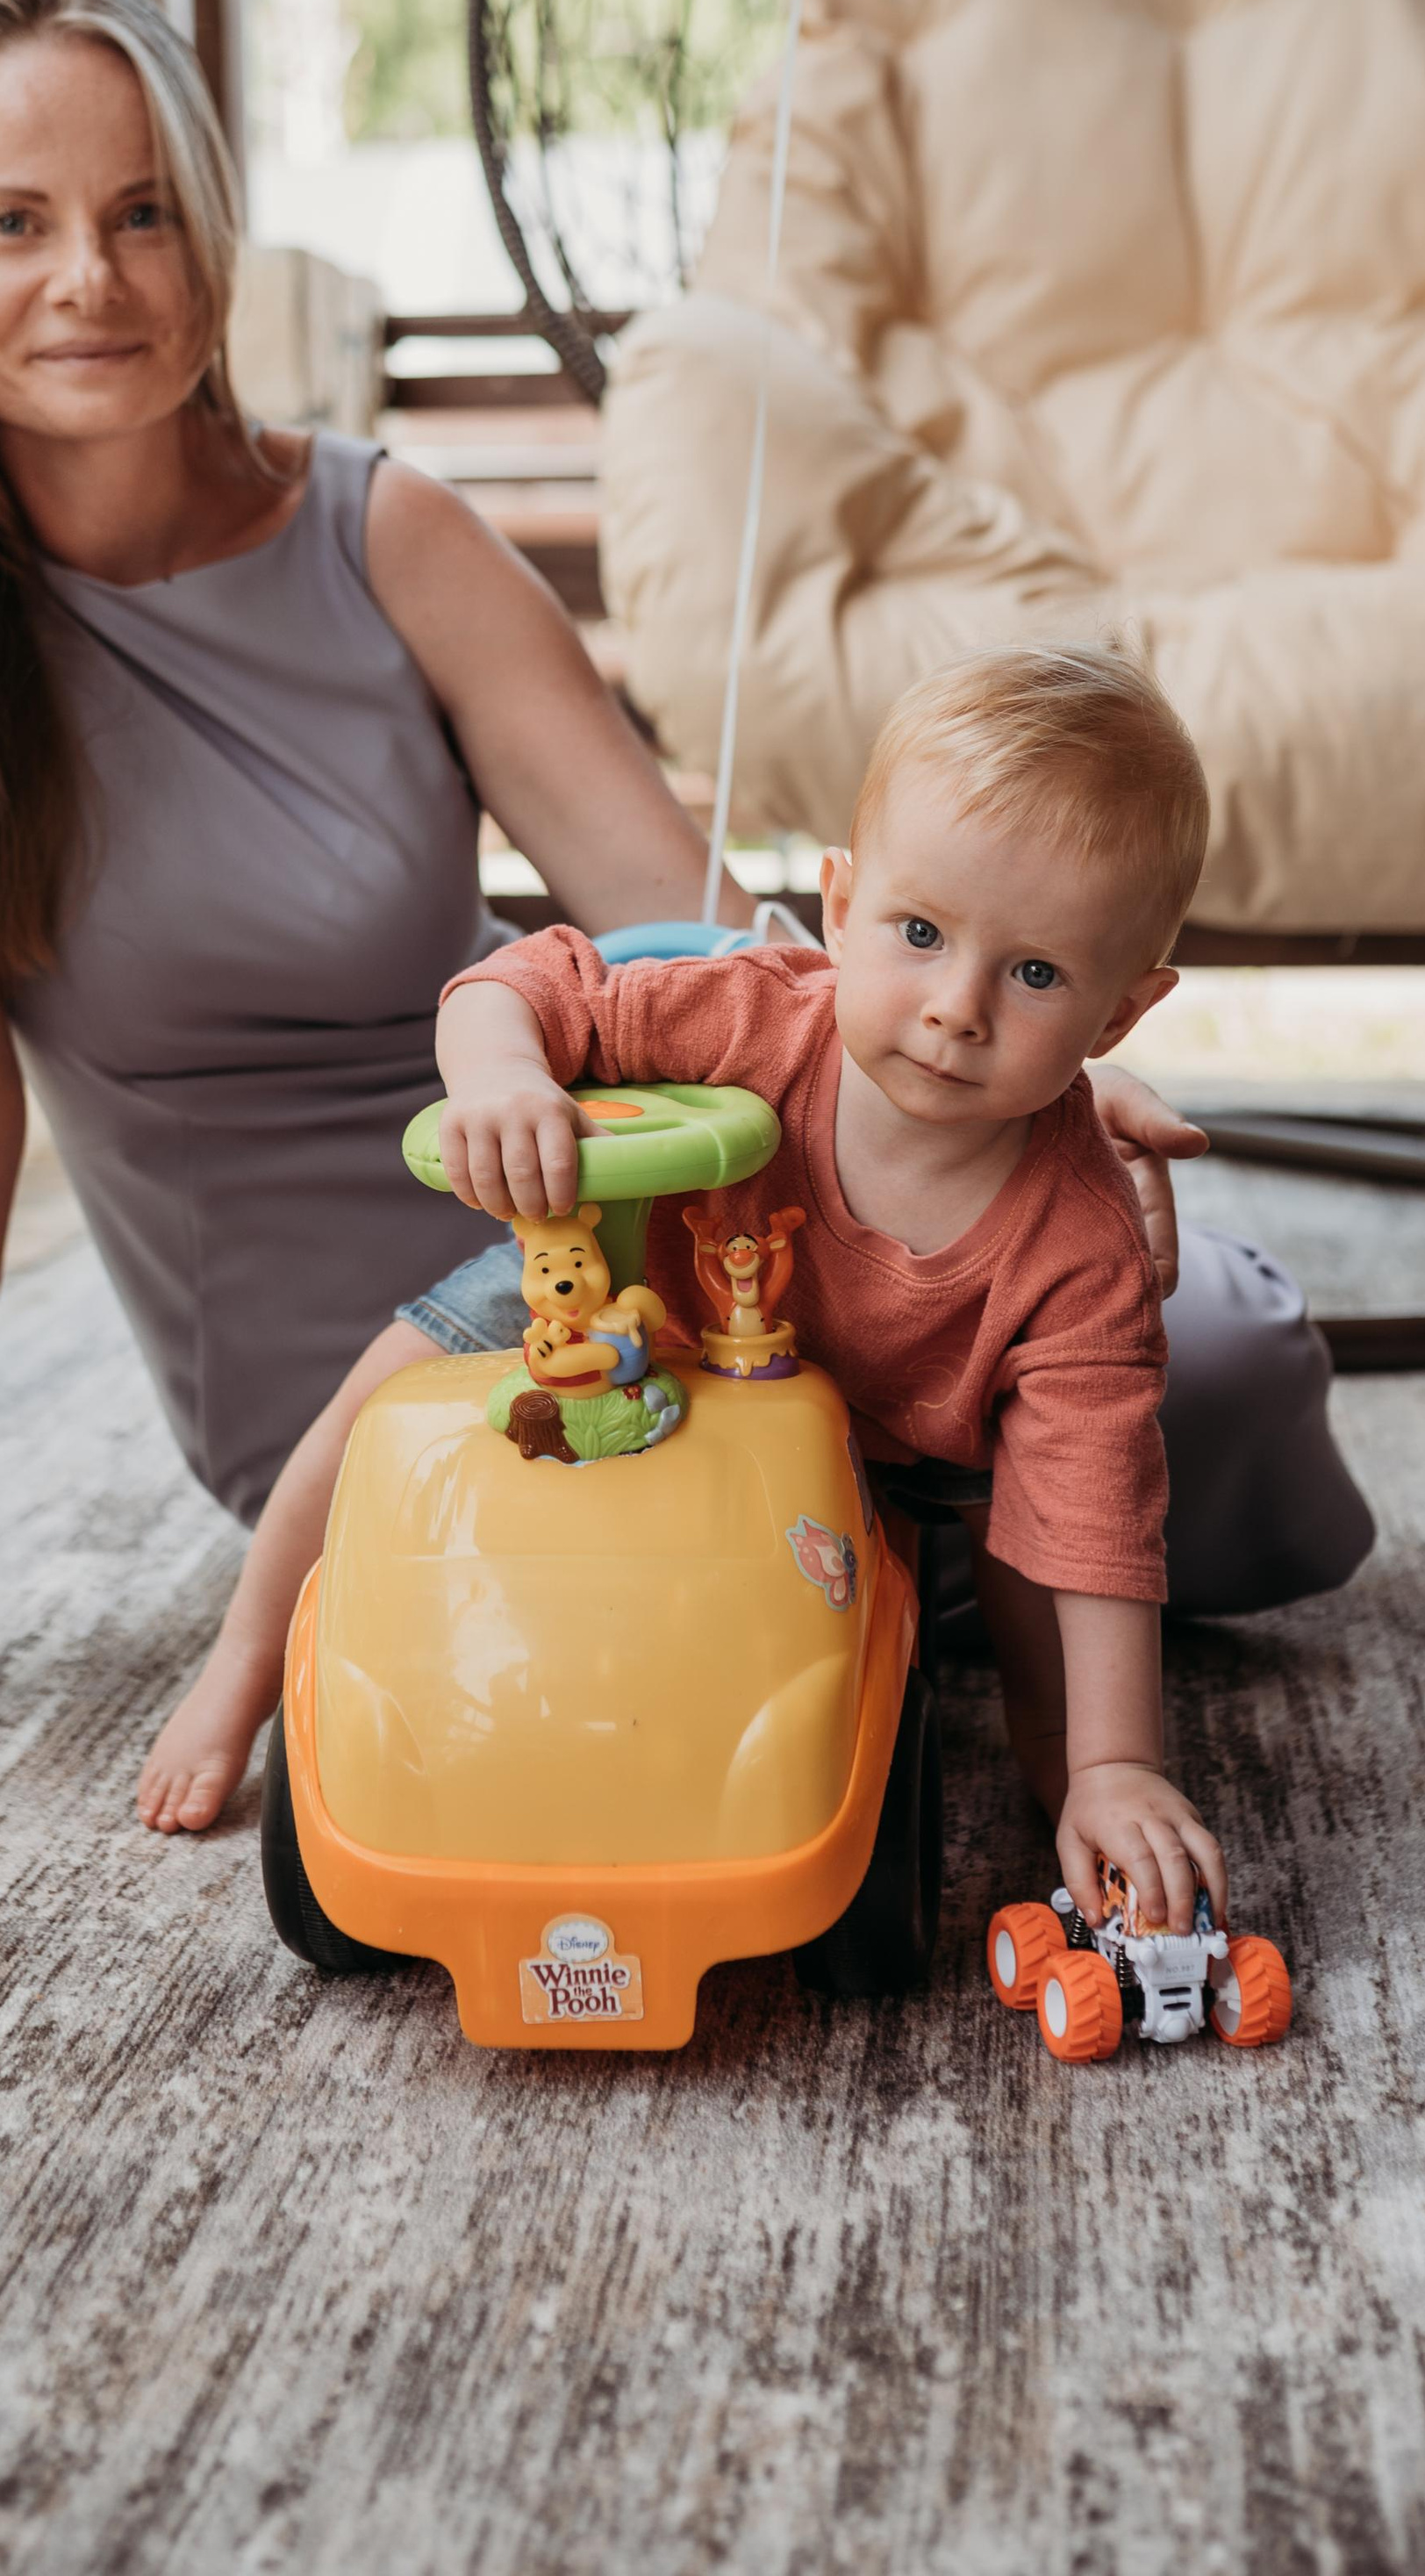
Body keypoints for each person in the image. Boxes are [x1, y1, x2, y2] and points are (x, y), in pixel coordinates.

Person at [0, 0, 1369, 1826]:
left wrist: (970, 1067)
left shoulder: (382, 529)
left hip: (642, 1220)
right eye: (16, 222)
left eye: (143, 211)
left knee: (1194, 1357)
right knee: (755, 1504)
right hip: (340, 1371)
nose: (90, 277)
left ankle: (903, 1561)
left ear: (212, 234)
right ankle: (890, 1549)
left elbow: (680, 914)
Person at [435, 646, 1228, 1930]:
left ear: (1121, 1015)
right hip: (685, 1373)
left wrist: (1114, 1758)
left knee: (1045, 1641)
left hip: (942, 1445)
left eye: (1036, 974)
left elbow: (1097, 1508)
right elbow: (529, 983)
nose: (955, 1008)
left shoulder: (1084, 1243)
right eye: (919, 934)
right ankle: (250, 1657)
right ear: (842, 905)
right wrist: (500, 1078)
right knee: (413, 1366)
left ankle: (1073, 1770)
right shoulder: (753, 1017)